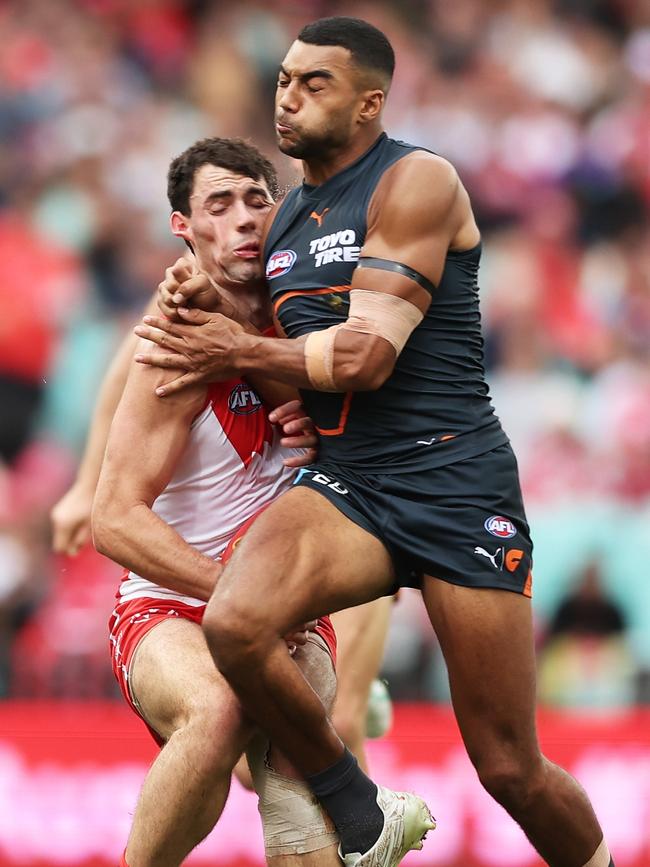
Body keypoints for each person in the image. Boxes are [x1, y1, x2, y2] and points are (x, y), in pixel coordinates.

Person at [134, 16, 615, 867]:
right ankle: (362, 813)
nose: (288, 97)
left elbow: (363, 357)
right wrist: (199, 299)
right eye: (284, 80)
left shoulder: (416, 180)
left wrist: (239, 346)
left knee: (510, 766)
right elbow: (259, 340)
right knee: (238, 623)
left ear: (369, 103)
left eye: (314, 83)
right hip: (351, 483)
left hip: (454, 481)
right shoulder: (283, 223)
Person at [90, 137, 343, 867]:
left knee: (303, 799)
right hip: (170, 606)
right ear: (185, 227)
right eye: (219, 204)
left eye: (257, 200)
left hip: (290, 606)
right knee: (217, 710)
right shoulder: (170, 344)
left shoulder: (309, 323)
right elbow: (115, 518)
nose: (242, 219)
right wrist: (237, 595)